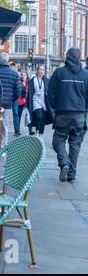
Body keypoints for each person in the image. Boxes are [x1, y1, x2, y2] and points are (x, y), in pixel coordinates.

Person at [48, 48, 88, 183]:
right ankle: (71, 174)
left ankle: (64, 163)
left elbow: (51, 93)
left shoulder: (59, 72)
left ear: (67, 56)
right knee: (75, 144)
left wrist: (55, 107)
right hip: (79, 115)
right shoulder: (86, 75)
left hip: (62, 113)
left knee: (58, 140)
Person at [0, 52, 21, 146]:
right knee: (4, 126)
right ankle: (3, 147)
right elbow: (18, 91)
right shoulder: (14, 74)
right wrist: (11, 100)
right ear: (7, 61)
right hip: (6, 104)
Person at [27, 65, 53, 138]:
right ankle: (37, 131)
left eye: (43, 70)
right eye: (40, 70)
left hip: (44, 101)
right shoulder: (33, 80)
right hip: (35, 101)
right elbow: (29, 92)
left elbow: (50, 90)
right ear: (37, 71)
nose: (41, 71)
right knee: (39, 115)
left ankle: (40, 135)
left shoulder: (46, 80)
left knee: (43, 118)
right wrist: (27, 104)